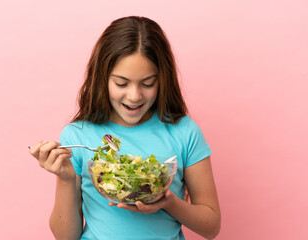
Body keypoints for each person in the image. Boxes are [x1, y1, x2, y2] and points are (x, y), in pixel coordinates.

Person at [29, 16, 220, 240]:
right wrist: (66, 178)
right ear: (102, 79)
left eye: (148, 83)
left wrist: (167, 202)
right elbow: (65, 237)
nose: (134, 96)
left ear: (163, 79)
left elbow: (211, 227)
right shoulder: (78, 134)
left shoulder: (184, 131)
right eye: (121, 83)